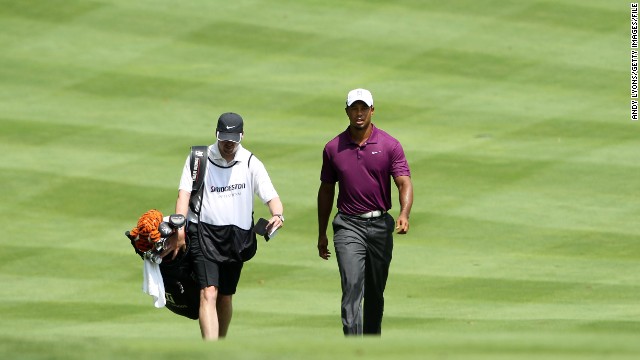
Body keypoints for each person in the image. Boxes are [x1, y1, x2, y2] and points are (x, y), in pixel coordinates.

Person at [162, 112, 284, 341]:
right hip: (202, 233)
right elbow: (183, 196)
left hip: (236, 238)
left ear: (242, 136)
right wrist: (179, 230)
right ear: (217, 135)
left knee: (225, 296)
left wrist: (277, 215)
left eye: (233, 139)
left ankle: (222, 344)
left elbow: (272, 197)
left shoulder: (250, 162)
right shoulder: (199, 158)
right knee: (208, 292)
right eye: (224, 138)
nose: (229, 144)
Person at [317, 88, 413, 336]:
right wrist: (322, 233)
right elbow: (326, 190)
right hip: (348, 226)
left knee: (374, 292)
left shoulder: (389, 145)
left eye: (363, 108)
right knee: (351, 288)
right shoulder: (332, 148)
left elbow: (404, 182)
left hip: (380, 226)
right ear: (347, 111)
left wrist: (404, 214)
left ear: (372, 110)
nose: (358, 113)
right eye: (354, 108)